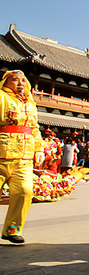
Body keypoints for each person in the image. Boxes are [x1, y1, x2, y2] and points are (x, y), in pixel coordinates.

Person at [0, 70, 44, 244]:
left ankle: (12, 230)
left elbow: (34, 129)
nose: (21, 84)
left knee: (24, 192)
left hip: (24, 158)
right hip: (2, 155)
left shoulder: (30, 103)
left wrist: (39, 149)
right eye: (15, 80)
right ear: (6, 83)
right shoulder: (1, 97)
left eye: (23, 81)